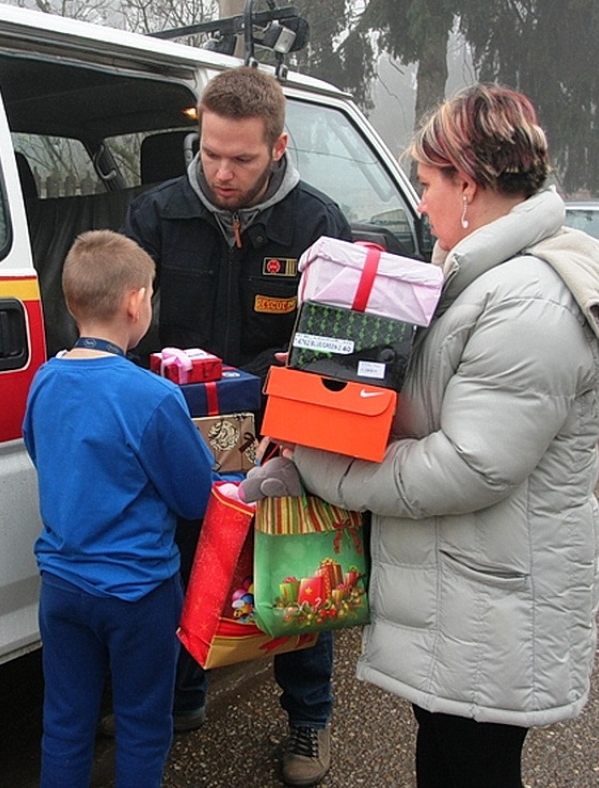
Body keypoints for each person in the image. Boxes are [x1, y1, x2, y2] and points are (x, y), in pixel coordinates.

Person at [288, 84, 599, 787]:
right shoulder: (483, 276)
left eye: (428, 182)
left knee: (471, 770)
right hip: (467, 595)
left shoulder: (530, 299)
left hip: (490, 607)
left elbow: (470, 463)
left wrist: (328, 467)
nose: (420, 201)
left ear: (467, 184)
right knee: (448, 762)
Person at [125, 65, 352, 787]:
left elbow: (341, 346)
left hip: (282, 436)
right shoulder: (156, 216)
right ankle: (183, 697)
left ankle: (308, 717)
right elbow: (122, 331)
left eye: (242, 158)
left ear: (278, 146)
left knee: (292, 578)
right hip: (180, 435)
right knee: (184, 568)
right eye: (210, 151)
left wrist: (298, 394)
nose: (221, 172)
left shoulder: (317, 225)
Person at [23, 230, 216, 788]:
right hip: (138, 593)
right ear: (136, 302)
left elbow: (43, 451)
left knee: (65, 722)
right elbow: (192, 497)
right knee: (141, 722)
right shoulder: (153, 396)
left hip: (61, 586)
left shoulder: (44, 381)